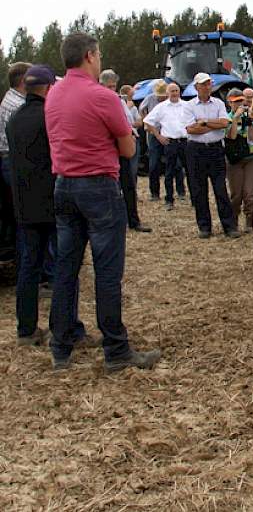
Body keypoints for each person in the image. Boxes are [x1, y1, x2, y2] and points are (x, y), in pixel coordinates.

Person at [45, 31, 161, 371]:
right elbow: (127, 150)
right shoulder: (103, 97)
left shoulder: (53, 95)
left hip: (64, 185)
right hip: (98, 187)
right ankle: (116, 349)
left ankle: (61, 346)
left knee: (66, 268)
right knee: (107, 271)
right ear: (91, 56)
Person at [6, 65, 75, 346]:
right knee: (63, 265)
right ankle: (62, 330)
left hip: (24, 205)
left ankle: (26, 329)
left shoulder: (14, 119)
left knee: (29, 267)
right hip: (51, 202)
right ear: (48, 88)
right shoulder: (49, 118)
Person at [184, 73, 238, 239]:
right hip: (196, 150)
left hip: (215, 150)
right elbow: (191, 129)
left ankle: (229, 226)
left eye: (208, 84)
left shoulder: (219, 103)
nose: (207, 87)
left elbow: (224, 123)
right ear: (196, 87)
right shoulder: (189, 105)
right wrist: (213, 125)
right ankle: (204, 227)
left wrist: (204, 123)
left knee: (220, 189)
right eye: (203, 84)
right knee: (199, 190)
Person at [99, 70, 151, 233]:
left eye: (114, 86)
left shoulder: (119, 101)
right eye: (109, 86)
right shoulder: (97, 100)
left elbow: (128, 121)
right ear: (101, 85)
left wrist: (131, 135)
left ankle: (133, 220)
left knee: (128, 184)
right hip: (106, 148)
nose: (112, 89)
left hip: (122, 145)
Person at [143, 82, 193, 211]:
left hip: (185, 141)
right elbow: (148, 121)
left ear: (179, 92)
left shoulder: (187, 106)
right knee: (169, 171)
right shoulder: (161, 107)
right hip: (170, 142)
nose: (174, 93)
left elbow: (196, 120)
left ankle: (194, 199)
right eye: (172, 91)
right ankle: (169, 200)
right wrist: (158, 136)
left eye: (176, 90)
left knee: (190, 171)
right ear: (167, 93)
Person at [0, 62, 31, 261]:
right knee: (26, 215)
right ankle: (26, 263)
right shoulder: (18, 106)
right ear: (24, 81)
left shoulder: (9, 100)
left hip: (8, 160)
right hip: (14, 161)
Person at [224, 88, 253, 231]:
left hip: (250, 157)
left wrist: (250, 122)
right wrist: (235, 119)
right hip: (234, 160)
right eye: (235, 102)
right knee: (236, 194)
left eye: (240, 101)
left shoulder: (250, 116)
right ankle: (234, 222)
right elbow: (231, 136)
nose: (238, 104)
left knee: (249, 194)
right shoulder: (226, 117)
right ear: (229, 103)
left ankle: (250, 223)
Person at [138, 79, 168, 201]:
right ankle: (154, 193)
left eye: (163, 96)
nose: (161, 98)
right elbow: (141, 109)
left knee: (174, 163)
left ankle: (180, 191)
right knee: (153, 163)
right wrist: (146, 120)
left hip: (168, 132)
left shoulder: (170, 100)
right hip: (153, 134)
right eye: (159, 96)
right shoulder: (150, 98)